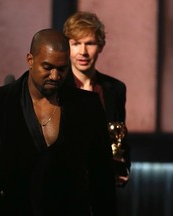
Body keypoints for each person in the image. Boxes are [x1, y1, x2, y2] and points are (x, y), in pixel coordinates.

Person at [0, 28, 117, 216]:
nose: (55, 76)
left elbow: (102, 176)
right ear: (30, 61)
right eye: (48, 67)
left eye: (62, 69)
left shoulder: (87, 106)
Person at [63, 11, 131, 186]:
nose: (83, 52)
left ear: (101, 46)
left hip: (102, 183)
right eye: (76, 44)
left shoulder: (115, 88)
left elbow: (120, 136)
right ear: (66, 47)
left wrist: (123, 168)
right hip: (63, 184)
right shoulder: (57, 87)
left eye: (90, 43)